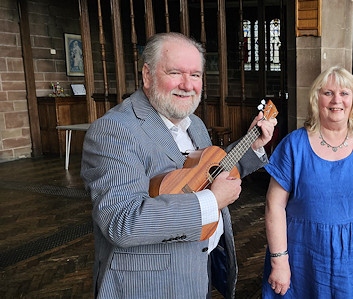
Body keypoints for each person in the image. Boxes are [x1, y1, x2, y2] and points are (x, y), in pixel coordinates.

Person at [80, 32, 277, 298]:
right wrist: (211, 201)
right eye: (175, 72)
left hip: (196, 273)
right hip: (148, 286)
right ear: (147, 75)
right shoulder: (114, 130)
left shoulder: (192, 123)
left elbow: (212, 173)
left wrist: (252, 144)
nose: (187, 85)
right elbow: (122, 222)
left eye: (195, 75)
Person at [262, 66, 353, 298]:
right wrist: (279, 261)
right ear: (316, 99)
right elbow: (274, 205)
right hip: (301, 256)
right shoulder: (294, 145)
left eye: (344, 93)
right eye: (328, 93)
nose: (337, 100)